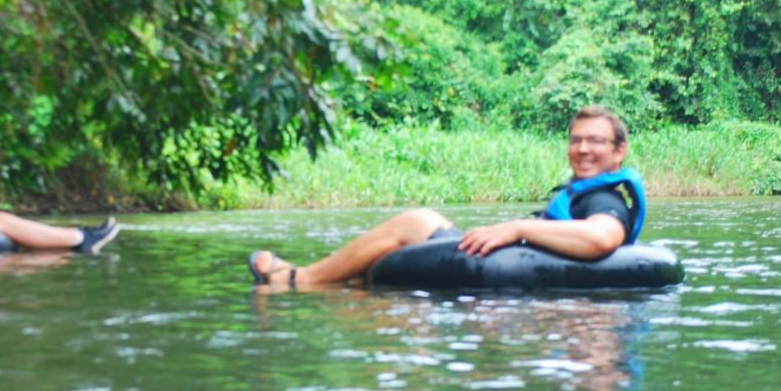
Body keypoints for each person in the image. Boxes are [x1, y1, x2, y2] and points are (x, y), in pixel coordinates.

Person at [248, 105, 645, 289]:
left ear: (618, 151)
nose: (583, 149)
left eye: (596, 141)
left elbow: (601, 239)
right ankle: (328, 282)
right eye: (576, 140)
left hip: (510, 272)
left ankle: (300, 280)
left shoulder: (607, 197)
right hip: (515, 273)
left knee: (416, 222)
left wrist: (515, 228)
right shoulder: (589, 191)